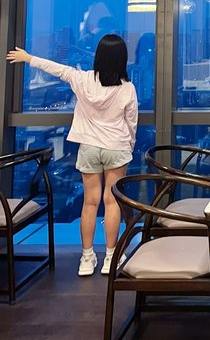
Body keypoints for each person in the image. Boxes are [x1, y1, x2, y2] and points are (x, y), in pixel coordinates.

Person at [7, 35, 138, 277]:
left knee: (89, 202)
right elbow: (131, 123)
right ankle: (111, 257)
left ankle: (87, 258)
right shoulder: (127, 88)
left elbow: (56, 69)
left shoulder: (83, 80)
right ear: (122, 59)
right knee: (112, 202)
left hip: (89, 147)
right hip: (116, 147)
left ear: (99, 57)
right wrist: (128, 145)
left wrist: (28, 58)